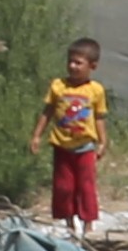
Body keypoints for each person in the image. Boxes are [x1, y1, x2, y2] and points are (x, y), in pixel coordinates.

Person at [37, 38, 112, 228]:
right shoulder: (58, 86)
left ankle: (88, 225)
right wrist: (37, 135)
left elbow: (99, 117)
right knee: (64, 187)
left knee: (86, 187)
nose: (73, 66)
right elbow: (48, 111)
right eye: (70, 61)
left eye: (78, 63)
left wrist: (103, 142)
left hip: (85, 147)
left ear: (92, 66)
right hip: (62, 146)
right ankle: (69, 223)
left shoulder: (96, 90)